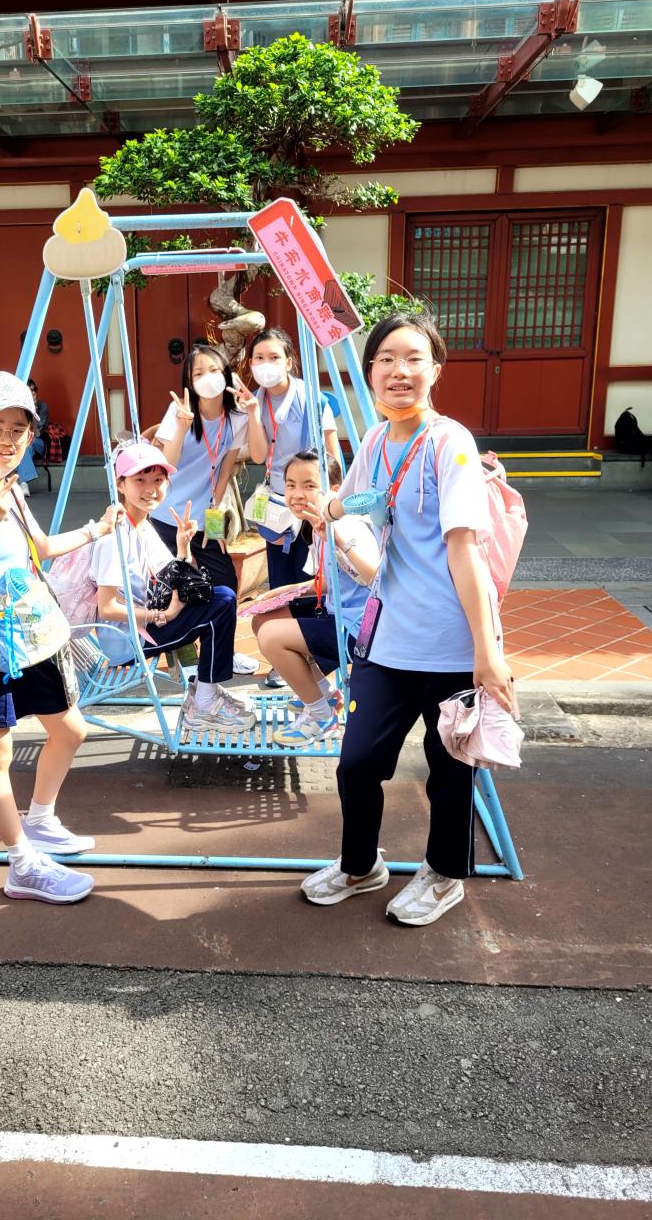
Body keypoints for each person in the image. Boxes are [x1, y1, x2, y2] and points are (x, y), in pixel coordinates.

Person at [301, 312, 515, 927]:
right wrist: (328, 508)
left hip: (451, 643)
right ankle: (360, 865)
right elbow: (361, 498)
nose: (400, 371)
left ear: (435, 370)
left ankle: (445, 875)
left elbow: (464, 550)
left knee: (450, 769)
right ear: (370, 371)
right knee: (357, 763)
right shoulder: (376, 441)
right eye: (387, 359)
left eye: (414, 358)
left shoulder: (451, 444)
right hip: (388, 638)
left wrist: (487, 653)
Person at [0, 372, 121, 906]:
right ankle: (21, 864)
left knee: (71, 729)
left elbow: (39, 548)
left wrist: (97, 530)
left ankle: (39, 820)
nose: (8, 439)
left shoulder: (11, 487)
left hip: (27, 634)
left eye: (19, 429)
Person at [90, 441, 256, 735]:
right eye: (140, 480)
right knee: (221, 604)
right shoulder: (114, 538)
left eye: (158, 480)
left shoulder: (142, 525)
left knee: (221, 597)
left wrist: (183, 546)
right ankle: (204, 702)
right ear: (120, 484)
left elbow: (173, 575)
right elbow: (107, 608)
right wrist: (162, 615)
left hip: (144, 623)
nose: (151, 489)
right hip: (129, 640)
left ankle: (205, 691)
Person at [251, 450, 379, 747]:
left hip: (363, 629)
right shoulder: (316, 524)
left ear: (335, 491)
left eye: (309, 486)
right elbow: (328, 582)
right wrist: (281, 592)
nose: (297, 494)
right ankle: (324, 695)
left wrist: (339, 541)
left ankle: (321, 717)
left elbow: (374, 578)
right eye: (291, 485)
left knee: (271, 637)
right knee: (263, 619)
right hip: (338, 613)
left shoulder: (345, 525)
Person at [238, 327, 341, 687]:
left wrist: (331, 498)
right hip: (278, 506)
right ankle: (284, 661)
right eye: (259, 358)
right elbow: (258, 455)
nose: (265, 364)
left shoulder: (312, 398)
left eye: (274, 357)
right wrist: (253, 414)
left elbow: (331, 452)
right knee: (281, 580)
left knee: (310, 580)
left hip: (312, 502)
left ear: (289, 361)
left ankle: (311, 656)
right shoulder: (254, 400)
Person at [150, 342, 258, 677]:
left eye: (213, 370)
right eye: (198, 373)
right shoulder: (179, 411)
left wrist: (214, 525)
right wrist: (182, 427)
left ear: (225, 373)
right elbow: (166, 465)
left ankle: (224, 651)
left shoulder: (236, 417)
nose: (207, 377)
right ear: (189, 380)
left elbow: (225, 471)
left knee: (224, 581)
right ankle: (184, 655)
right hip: (165, 516)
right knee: (175, 586)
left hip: (201, 518)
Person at [14, 379, 49, 491]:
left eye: (34, 390)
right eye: (30, 391)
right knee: (25, 447)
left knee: (25, 444)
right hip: (25, 443)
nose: (33, 393)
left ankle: (22, 482)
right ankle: (24, 483)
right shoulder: (18, 408)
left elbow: (37, 431)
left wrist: (33, 409)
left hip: (39, 442)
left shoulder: (42, 407)